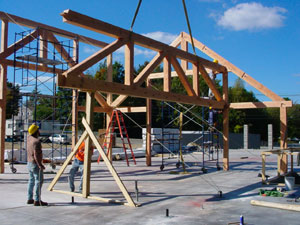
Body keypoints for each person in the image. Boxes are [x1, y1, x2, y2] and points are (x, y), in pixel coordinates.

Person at [27, 124, 48, 206]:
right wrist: (40, 164)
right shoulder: (37, 142)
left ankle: (29, 198)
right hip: (35, 164)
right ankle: (37, 200)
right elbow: (36, 155)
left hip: (29, 162)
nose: (39, 131)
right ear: (36, 131)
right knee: (39, 181)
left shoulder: (28, 139)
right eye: (38, 130)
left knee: (31, 181)